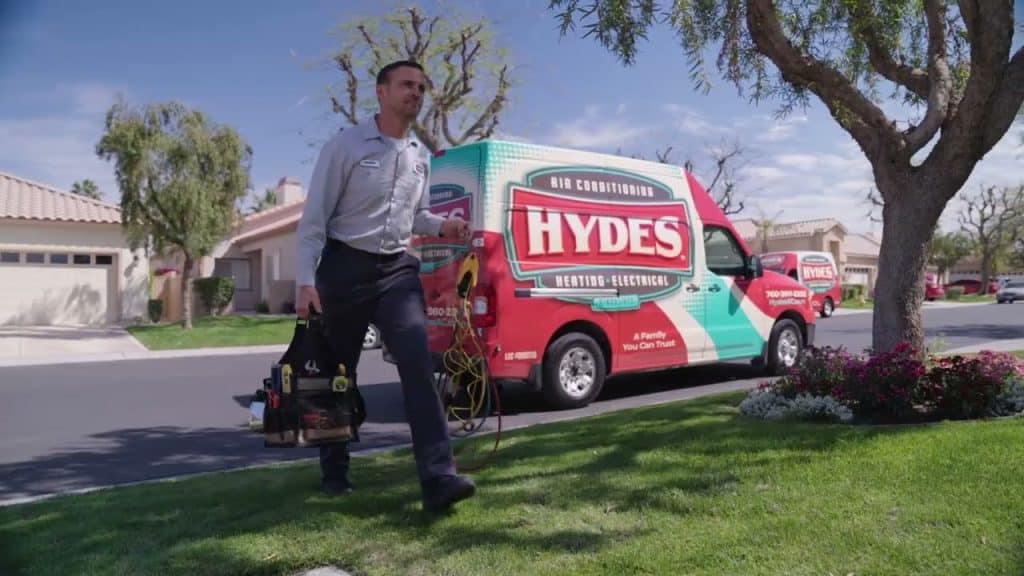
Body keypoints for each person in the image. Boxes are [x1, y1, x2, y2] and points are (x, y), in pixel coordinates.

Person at [294, 59, 475, 513]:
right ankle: (334, 472)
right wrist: (305, 282)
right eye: (406, 85)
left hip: (397, 271)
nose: (416, 93)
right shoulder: (345, 146)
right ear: (381, 91)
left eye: (421, 87)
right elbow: (314, 220)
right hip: (344, 267)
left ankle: (439, 478)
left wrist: (443, 226)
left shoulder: (418, 158)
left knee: (418, 365)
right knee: (338, 375)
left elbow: (416, 217)